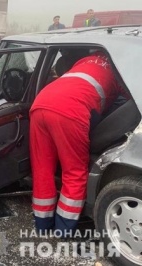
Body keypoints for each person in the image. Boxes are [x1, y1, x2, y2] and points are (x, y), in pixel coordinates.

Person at [29, 50, 128, 237]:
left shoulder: (86, 59)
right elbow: (133, 102)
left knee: (42, 168)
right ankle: (63, 230)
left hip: (40, 103)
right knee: (74, 172)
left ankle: (42, 224)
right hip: (70, 111)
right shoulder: (121, 69)